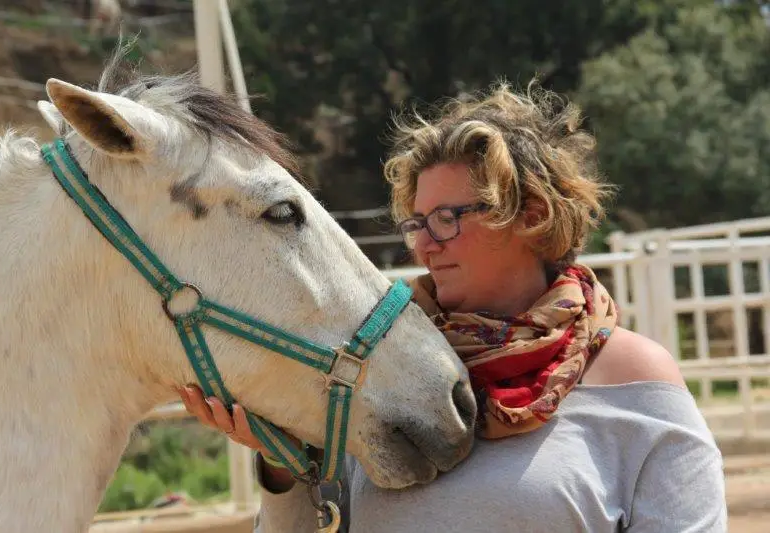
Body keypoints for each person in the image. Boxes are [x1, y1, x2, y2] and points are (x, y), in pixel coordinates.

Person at [177, 81, 727, 532]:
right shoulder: (374, 365)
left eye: (447, 219)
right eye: (418, 222)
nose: (424, 244)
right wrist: (283, 459)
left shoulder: (635, 379)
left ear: (531, 214)